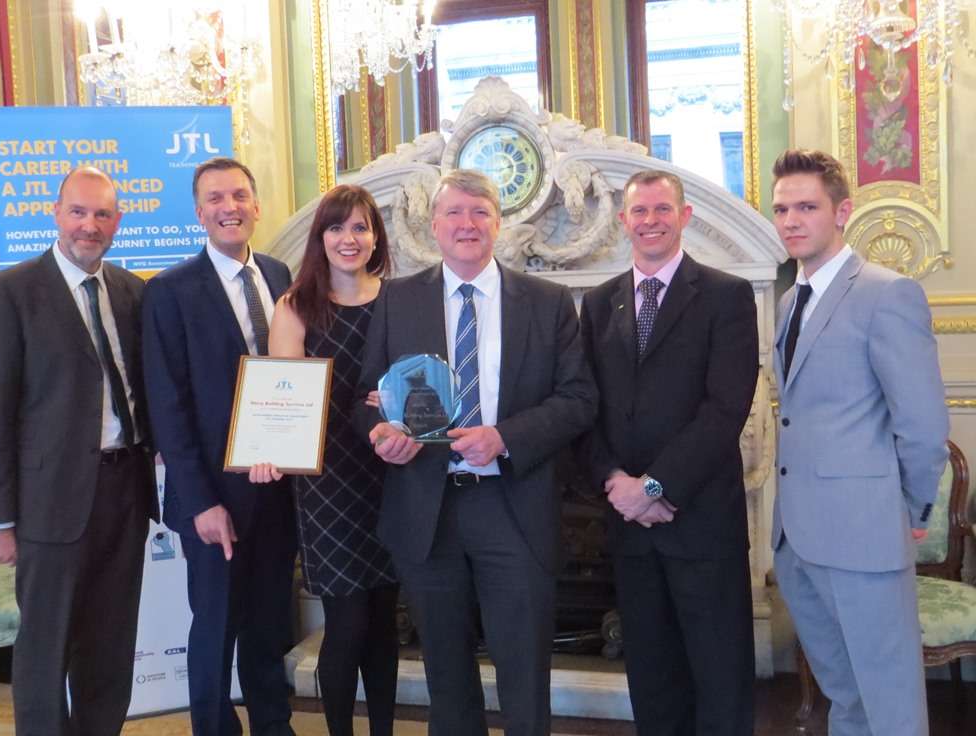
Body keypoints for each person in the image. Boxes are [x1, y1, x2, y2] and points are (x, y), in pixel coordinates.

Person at [354, 169, 598, 736]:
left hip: (512, 506)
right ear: (434, 226)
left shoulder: (547, 302)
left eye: (479, 212)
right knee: (446, 674)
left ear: (498, 223)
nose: (467, 224)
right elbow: (368, 397)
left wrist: (504, 437)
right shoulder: (396, 300)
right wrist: (381, 434)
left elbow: (579, 399)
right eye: (454, 213)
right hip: (427, 509)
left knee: (524, 668)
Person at [0, 165, 159, 735]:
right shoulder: (11, 292)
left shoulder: (132, 291)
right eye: (78, 212)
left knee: (110, 644)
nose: (89, 225)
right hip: (47, 504)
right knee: (45, 649)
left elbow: (144, 388)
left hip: (125, 493)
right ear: (55, 214)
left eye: (102, 214)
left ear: (118, 221)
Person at [770, 149, 948, 736]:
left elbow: (922, 423)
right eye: (781, 209)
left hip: (864, 533)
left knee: (890, 704)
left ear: (842, 211)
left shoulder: (887, 293)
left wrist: (912, 509)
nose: (791, 220)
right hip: (797, 539)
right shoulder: (789, 300)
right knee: (845, 697)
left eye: (806, 207)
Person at [579, 169, 758, 735]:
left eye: (662, 210)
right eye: (639, 211)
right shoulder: (598, 304)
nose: (650, 220)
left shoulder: (727, 296)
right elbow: (586, 406)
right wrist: (616, 483)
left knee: (720, 678)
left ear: (685, 217)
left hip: (702, 525)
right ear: (622, 221)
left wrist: (655, 487)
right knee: (653, 680)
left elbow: (725, 409)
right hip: (629, 529)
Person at [142, 157, 297, 736]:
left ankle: (274, 725)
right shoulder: (169, 291)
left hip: (278, 488)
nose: (228, 207)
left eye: (238, 195)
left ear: (256, 204)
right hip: (214, 498)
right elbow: (168, 406)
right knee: (215, 627)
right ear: (199, 212)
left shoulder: (280, 274)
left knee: (269, 624)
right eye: (215, 199)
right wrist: (202, 502)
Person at [249, 184, 398, 736]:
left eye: (360, 227)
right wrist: (267, 451)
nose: (348, 238)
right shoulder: (296, 306)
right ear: (321, 238)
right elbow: (281, 398)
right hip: (327, 484)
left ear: (376, 236)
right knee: (348, 623)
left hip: (391, 473)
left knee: (383, 622)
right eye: (337, 227)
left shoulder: (399, 299)